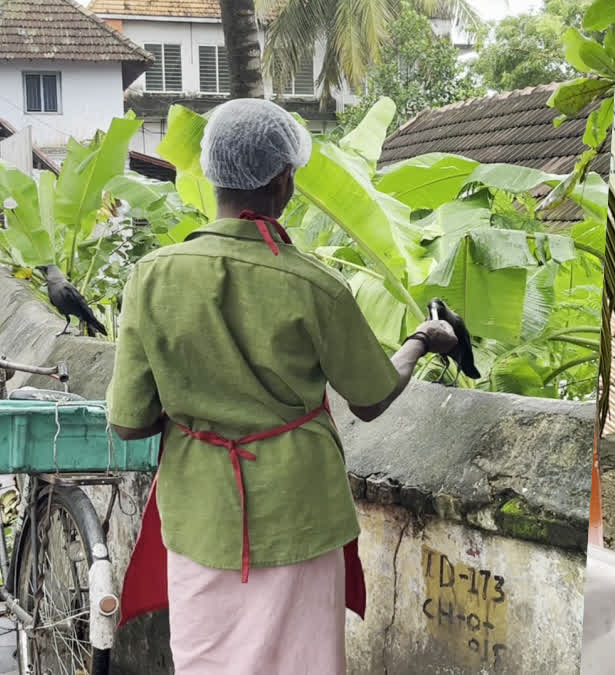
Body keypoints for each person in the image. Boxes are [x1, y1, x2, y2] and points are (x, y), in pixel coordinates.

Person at [105, 98, 458, 674]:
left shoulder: (151, 277)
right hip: (302, 516)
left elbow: (127, 420)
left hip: (200, 518)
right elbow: (370, 398)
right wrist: (420, 341)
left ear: (213, 174)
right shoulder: (316, 285)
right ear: (284, 179)